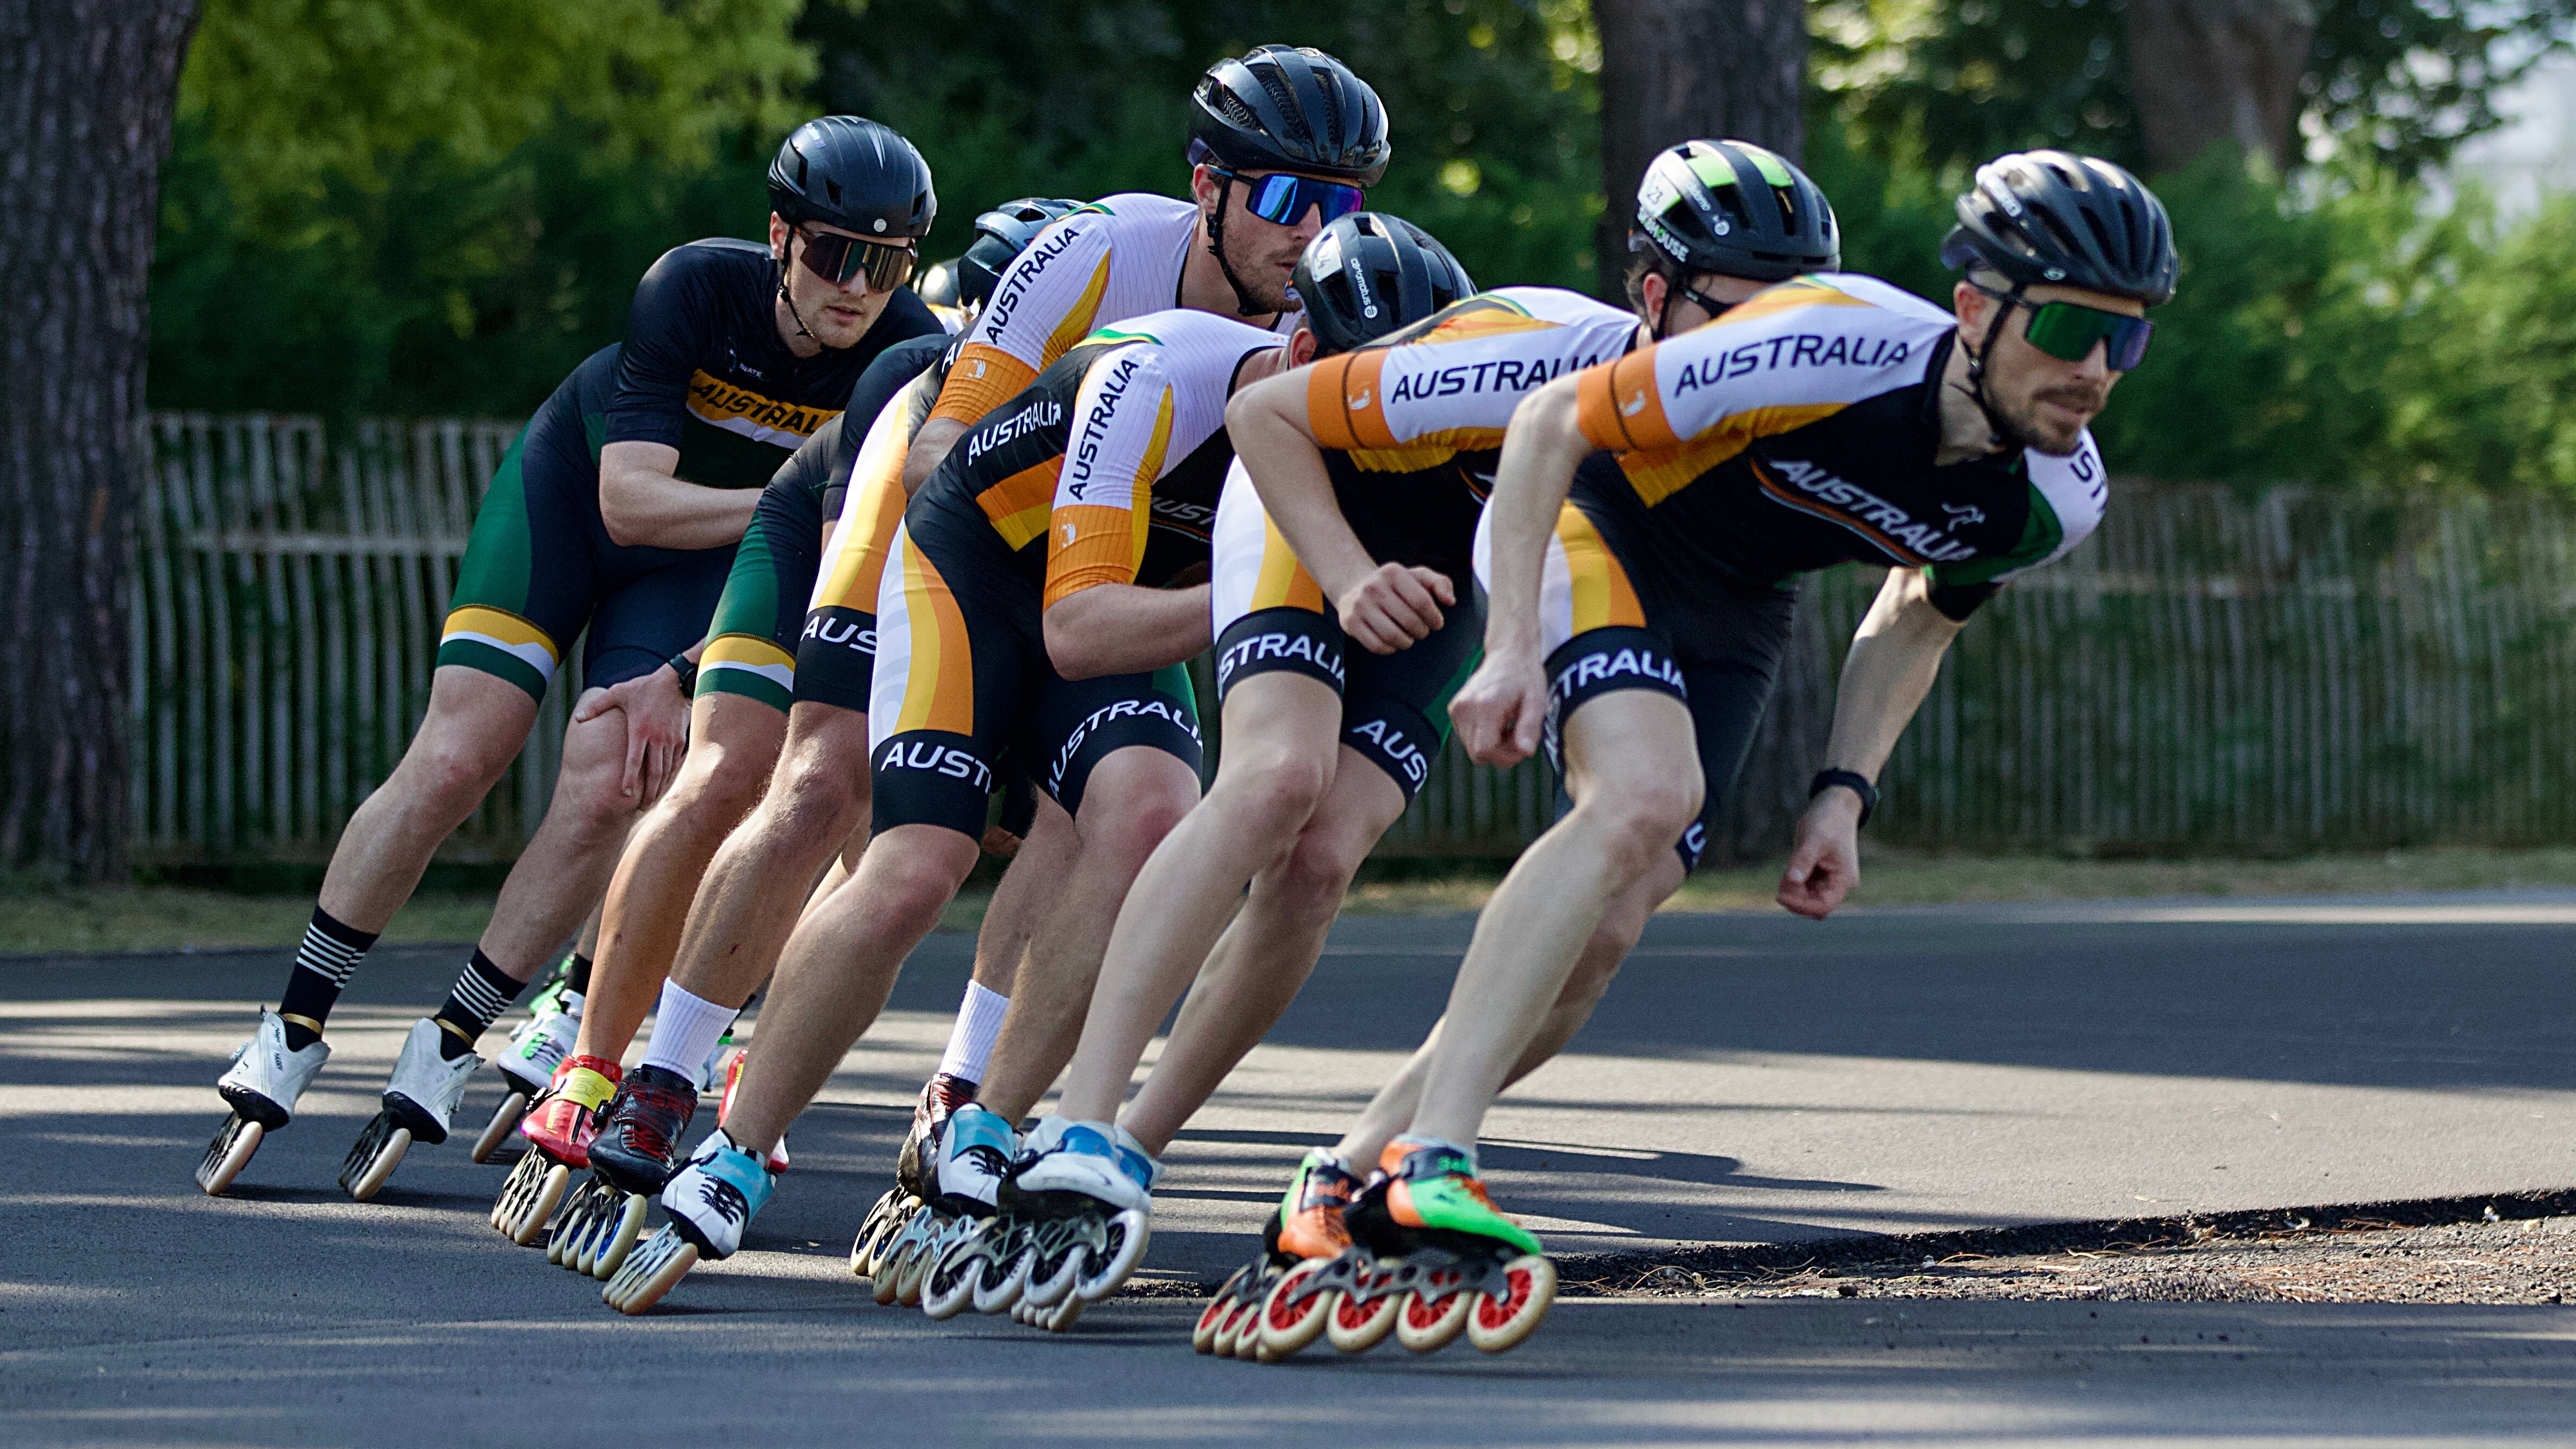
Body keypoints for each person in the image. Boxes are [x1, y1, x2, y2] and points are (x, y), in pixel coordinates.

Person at [1256, 148, 2180, 1360]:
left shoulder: (2054, 498)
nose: (2096, 372)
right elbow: (1545, 423)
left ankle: (1337, 1177)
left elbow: (1917, 612)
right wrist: (1510, 650)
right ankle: (1433, 1161)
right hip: (1600, 516)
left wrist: (1842, 793)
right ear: (1974, 309)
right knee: (1642, 795)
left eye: (2129, 341)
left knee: (1606, 927)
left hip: (1738, 609)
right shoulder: (1826, 341)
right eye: (2068, 327)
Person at [974, 142, 1838, 1348]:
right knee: (1275, 777)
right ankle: (1082, 1132)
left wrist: (1837, 784)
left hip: (1455, 547)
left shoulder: (1814, 392)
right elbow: (1261, 415)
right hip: (1317, 500)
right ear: (1652, 297)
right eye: (1726, 313)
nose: (1752, 345)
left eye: (1785, 318)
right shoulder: (1522, 357)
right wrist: (1342, 575)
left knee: (1340, 860)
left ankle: (1212, 1155)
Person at [594, 43, 1395, 1297]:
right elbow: (937, 454)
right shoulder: (1096, 257)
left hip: (1121, 566)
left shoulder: (1347, 309)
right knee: (851, 807)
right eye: (1287, 200)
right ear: (1207, 188)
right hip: (955, 526)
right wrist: (1026, 668)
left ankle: (972, 1105)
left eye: (1343, 203)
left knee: (1141, 814)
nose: (1315, 236)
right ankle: (673, 1085)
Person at [195, 116, 945, 1201]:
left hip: (696, 561)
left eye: (886, 264)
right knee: (460, 755)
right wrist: (789, 494)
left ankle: (453, 1036)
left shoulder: (902, 351)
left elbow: (825, 571)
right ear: (780, 238)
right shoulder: (692, 288)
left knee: (612, 778)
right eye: (835, 253)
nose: (857, 287)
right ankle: (298, 1016)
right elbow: (627, 501)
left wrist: (686, 668)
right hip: (578, 498)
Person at [488, 202, 1081, 1262]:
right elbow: (851, 571)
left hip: (993, 593)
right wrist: (682, 671)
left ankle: (963, 1093)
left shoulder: (1133, 399)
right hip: (840, 539)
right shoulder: (912, 380)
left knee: (1054, 820)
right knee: (783, 782)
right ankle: (611, 1064)